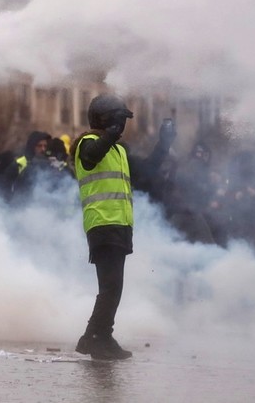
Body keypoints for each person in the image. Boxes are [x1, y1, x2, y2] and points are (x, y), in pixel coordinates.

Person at [71, 94, 174, 360]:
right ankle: (93, 338)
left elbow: (147, 170)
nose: (123, 125)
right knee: (111, 286)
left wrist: (164, 145)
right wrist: (111, 134)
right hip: (102, 222)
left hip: (119, 225)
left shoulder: (118, 150)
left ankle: (101, 336)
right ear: (107, 120)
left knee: (113, 287)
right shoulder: (88, 142)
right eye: (119, 119)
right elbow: (91, 157)